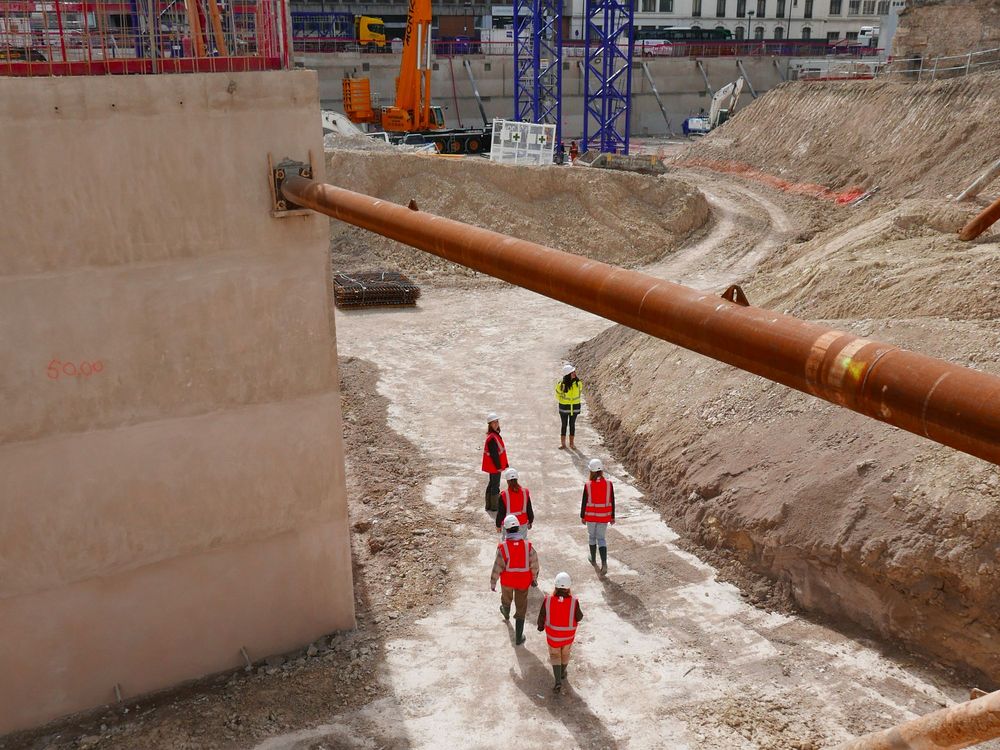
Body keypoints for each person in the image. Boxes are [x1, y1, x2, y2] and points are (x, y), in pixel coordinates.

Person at [491, 514, 539, 645]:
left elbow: (497, 566)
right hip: (523, 582)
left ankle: (506, 613)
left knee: (506, 599)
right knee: (521, 606)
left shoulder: (502, 547)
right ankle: (519, 637)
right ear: (518, 528)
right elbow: (534, 565)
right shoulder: (528, 546)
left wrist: (493, 582)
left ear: (506, 530)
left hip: (507, 581)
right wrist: (534, 579)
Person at [537, 571, 583, 693]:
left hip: (553, 637)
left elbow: (542, 615)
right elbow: (579, 617)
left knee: (555, 655)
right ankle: (562, 673)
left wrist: (540, 626)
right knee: (565, 654)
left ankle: (558, 681)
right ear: (569, 587)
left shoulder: (548, 600)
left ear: (555, 586)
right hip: (568, 637)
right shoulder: (574, 601)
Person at [581, 457, 615, 575]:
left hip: (590, 517)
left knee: (592, 537)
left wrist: (582, 516)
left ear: (591, 471)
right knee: (601, 539)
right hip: (604, 517)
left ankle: (593, 558)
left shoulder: (588, 485)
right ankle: (604, 562)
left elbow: (584, 501)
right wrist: (612, 516)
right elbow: (612, 500)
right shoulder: (609, 484)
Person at [495, 468, 534, 538]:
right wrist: (530, 521)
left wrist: (498, 525)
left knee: (508, 545)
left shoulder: (504, 495)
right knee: (522, 543)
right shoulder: (525, 492)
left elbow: (501, 513)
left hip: (508, 525)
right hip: (522, 523)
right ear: (517, 479)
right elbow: (529, 509)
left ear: (507, 481)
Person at [482, 412, 508, 513]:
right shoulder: (493, 437)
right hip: (495, 466)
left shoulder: (493, 435)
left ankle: (488, 505)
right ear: (490, 425)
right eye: (494, 423)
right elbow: (494, 455)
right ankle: (494, 506)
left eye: (497, 422)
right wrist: (499, 467)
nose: (496, 424)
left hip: (492, 466)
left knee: (491, 484)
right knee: (495, 485)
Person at [555, 364, 583, 450]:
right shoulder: (561, 385)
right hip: (564, 407)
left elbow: (579, 393)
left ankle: (572, 443)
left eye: (574, 371)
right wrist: (564, 402)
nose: (574, 373)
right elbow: (557, 395)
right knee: (564, 425)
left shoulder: (578, 383)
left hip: (574, 407)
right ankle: (563, 444)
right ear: (568, 374)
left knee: (572, 425)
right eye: (572, 372)